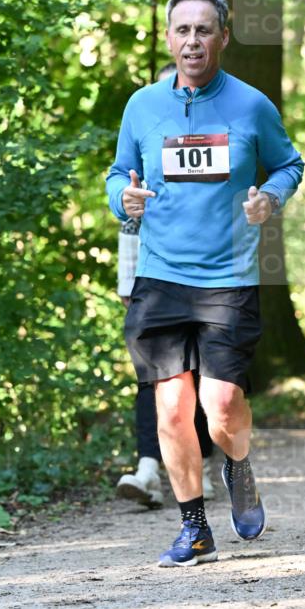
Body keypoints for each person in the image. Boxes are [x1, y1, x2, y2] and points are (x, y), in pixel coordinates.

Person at [106, 0, 304, 567]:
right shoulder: (142, 106)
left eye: (203, 30)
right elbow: (119, 173)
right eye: (182, 30)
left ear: (223, 35)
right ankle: (194, 529)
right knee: (171, 409)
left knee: (220, 410)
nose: (192, 40)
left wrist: (269, 197)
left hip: (228, 277)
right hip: (161, 276)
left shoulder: (251, 106)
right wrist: (126, 200)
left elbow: (289, 164)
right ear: (168, 38)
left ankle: (237, 465)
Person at [116, 62, 217, 509]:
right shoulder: (143, 139)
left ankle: (207, 463)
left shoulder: (210, 138)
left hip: (207, 279)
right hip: (151, 283)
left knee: (200, 377)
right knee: (155, 380)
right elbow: (127, 220)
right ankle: (148, 468)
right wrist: (127, 284)